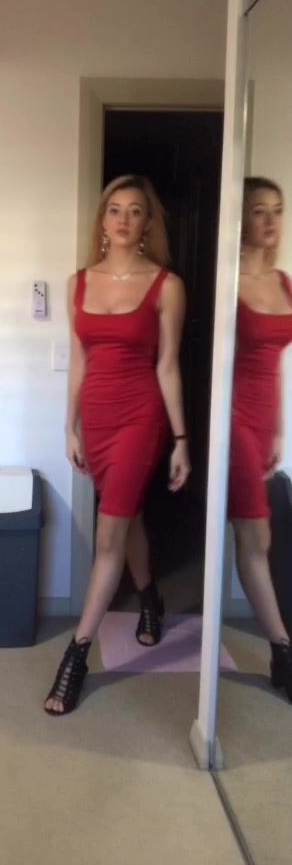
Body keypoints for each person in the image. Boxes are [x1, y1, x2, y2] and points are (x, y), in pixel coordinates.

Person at [45, 174, 190, 716]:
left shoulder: (166, 285)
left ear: (148, 222)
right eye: (115, 210)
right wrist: (70, 425)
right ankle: (150, 597)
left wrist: (181, 439)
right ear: (102, 221)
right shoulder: (77, 283)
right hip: (98, 419)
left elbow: (168, 366)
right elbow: (79, 360)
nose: (124, 219)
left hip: (140, 417)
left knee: (109, 534)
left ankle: (76, 655)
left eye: (135, 211)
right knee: (125, 518)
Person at [228, 176, 292, 702]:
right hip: (229, 419)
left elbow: (275, 364)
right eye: (258, 211)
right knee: (256, 537)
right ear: (240, 217)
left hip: (263, 416)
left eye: (277, 210)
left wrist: (280, 428)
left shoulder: (285, 283)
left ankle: (279, 649)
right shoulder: (225, 282)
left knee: (256, 538)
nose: (270, 221)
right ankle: (283, 650)